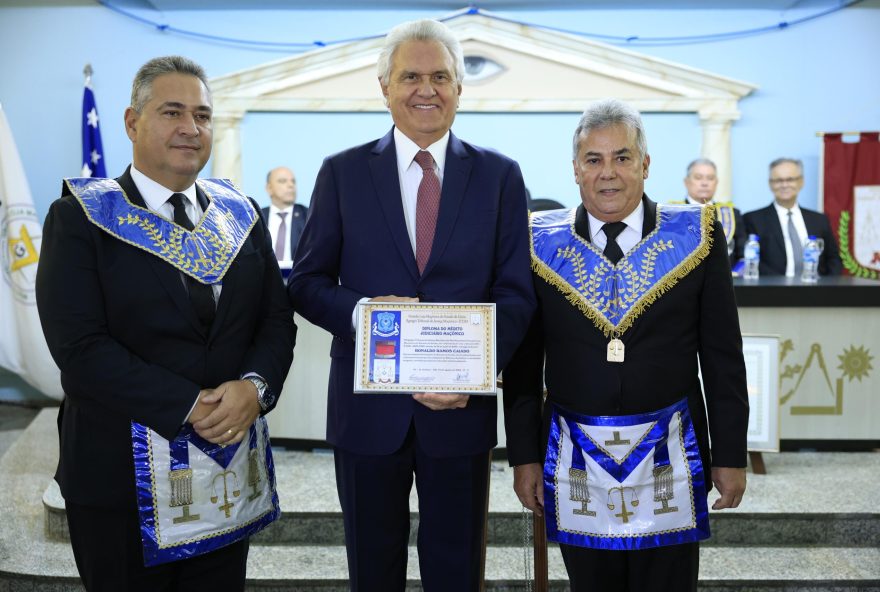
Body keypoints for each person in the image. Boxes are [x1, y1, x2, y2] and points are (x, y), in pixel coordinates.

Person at [287, 19, 535, 592]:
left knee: (456, 570)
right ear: (385, 87)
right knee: (372, 570)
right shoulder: (342, 173)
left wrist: (472, 373)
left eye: (440, 76)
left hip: (459, 413)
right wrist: (367, 315)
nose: (427, 89)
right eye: (411, 77)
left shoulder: (499, 176)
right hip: (368, 417)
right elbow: (306, 282)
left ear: (459, 88)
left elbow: (516, 293)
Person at [36, 56, 296, 591]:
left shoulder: (239, 213)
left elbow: (275, 322)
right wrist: (187, 404)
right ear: (133, 123)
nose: (190, 128)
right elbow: (79, 347)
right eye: (172, 112)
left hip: (225, 474)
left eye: (202, 115)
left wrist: (255, 387)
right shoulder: (81, 218)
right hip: (119, 478)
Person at [503, 99, 749, 592]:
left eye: (621, 157)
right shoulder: (537, 242)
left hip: (672, 457)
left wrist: (731, 454)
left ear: (645, 164)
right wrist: (524, 455)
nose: (607, 173)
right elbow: (525, 365)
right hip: (576, 461)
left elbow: (722, 357)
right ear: (575, 170)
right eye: (593, 160)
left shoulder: (697, 235)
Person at [744, 158, 842, 277]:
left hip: (816, 290)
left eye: (790, 179)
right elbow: (750, 261)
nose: (784, 185)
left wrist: (828, 288)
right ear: (770, 184)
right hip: (771, 291)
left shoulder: (819, 220)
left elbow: (833, 259)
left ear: (801, 182)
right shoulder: (753, 220)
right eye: (778, 180)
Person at [671, 158, 746, 266]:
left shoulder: (731, 214)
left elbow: (743, 256)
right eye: (698, 178)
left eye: (710, 178)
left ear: (716, 183)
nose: (705, 183)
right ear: (686, 182)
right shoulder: (672, 212)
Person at [263, 166, 308, 262]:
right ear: (269, 188)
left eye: (293, 181)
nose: (291, 185)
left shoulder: (308, 216)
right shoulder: (257, 218)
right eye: (283, 181)